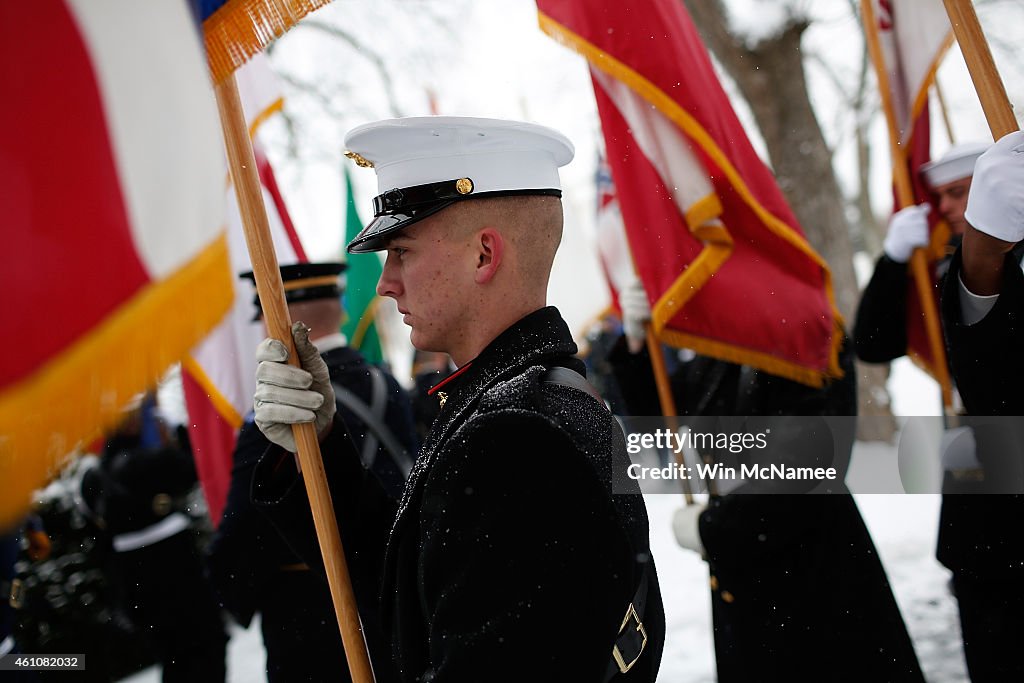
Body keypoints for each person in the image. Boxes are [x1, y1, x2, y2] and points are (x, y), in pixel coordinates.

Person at [248, 116, 665, 682]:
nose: (384, 282)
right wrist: (318, 445)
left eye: (401, 251)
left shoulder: (513, 438)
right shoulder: (533, 399)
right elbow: (415, 591)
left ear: (483, 256)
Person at [611, 279, 924, 681]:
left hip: (813, 574)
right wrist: (639, 346)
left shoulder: (815, 332)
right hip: (747, 578)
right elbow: (666, 410)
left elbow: (807, 471)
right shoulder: (727, 346)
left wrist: (712, 527)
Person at [207, 262, 417, 683]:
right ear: (336, 310)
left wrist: (223, 581)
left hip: (311, 614)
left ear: (278, 318)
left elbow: (246, 526)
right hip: (394, 594)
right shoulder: (383, 381)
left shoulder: (277, 411)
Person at [938, 130, 1024, 682]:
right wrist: (981, 254)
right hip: (989, 509)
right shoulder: (950, 259)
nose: (947, 207)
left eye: (959, 191)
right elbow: (876, 339)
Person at [80, 396, 228, 683]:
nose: (138, 419)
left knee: (175, 658)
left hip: (135, 582)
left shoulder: (93, 476)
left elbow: (97, 539)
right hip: (174, 571)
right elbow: (193, 465)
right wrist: (176, 438)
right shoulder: (147, 460)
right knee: (203, 650)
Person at [854, 141, 988, 363]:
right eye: (938, 197)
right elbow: (873, 345)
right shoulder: (947, 263)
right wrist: (893, 261)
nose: (943, 207)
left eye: (956, 192)